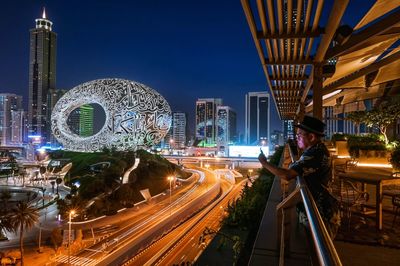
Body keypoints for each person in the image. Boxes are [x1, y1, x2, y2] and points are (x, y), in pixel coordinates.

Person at [258, 115, 340, 238]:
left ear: (311, 137)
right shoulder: (315, 150)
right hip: (316, 208)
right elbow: (296, 166)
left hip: (320, 213)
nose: (296, 138)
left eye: (299, 135)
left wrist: (264, 163)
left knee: (318, 249)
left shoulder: (316, 154)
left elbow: (287, 175)